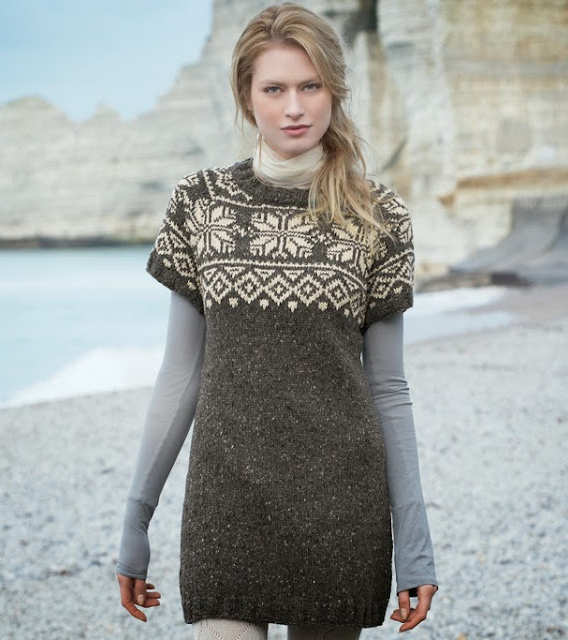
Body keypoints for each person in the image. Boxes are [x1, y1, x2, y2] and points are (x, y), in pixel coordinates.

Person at [116, 3, 438, 638]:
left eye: (311, 86)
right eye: (274, 89)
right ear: (246, 96)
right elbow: (181, 374)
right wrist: (135, 519)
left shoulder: (379, 216)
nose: (295, 107)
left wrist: (416, 546)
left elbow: (388, 389)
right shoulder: (201, 204)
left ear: (334, 91)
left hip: (341, 507)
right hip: (226, 503)